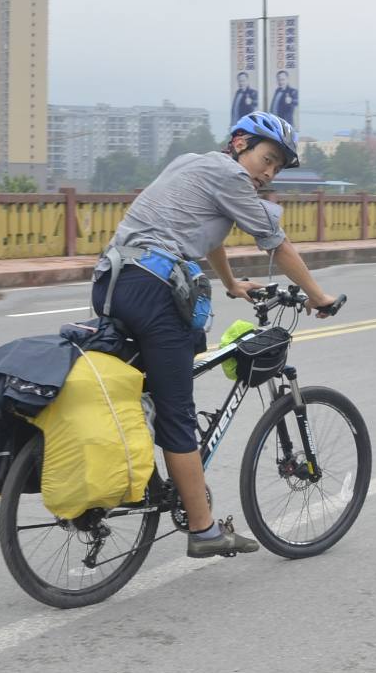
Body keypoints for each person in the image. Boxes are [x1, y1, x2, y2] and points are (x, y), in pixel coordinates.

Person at [91, 111, 338, 558]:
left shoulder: (191, 162)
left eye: (277, 168)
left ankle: (142, 478)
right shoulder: (230, 177)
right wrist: (318, 296)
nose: (268, 172)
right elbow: (276, 243)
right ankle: (203, 531)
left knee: (147, 392)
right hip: (153, 290)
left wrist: (230, 283)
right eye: (267, 159)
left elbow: (209, 234)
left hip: (112, 282)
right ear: (240, 143)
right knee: (177, 415)